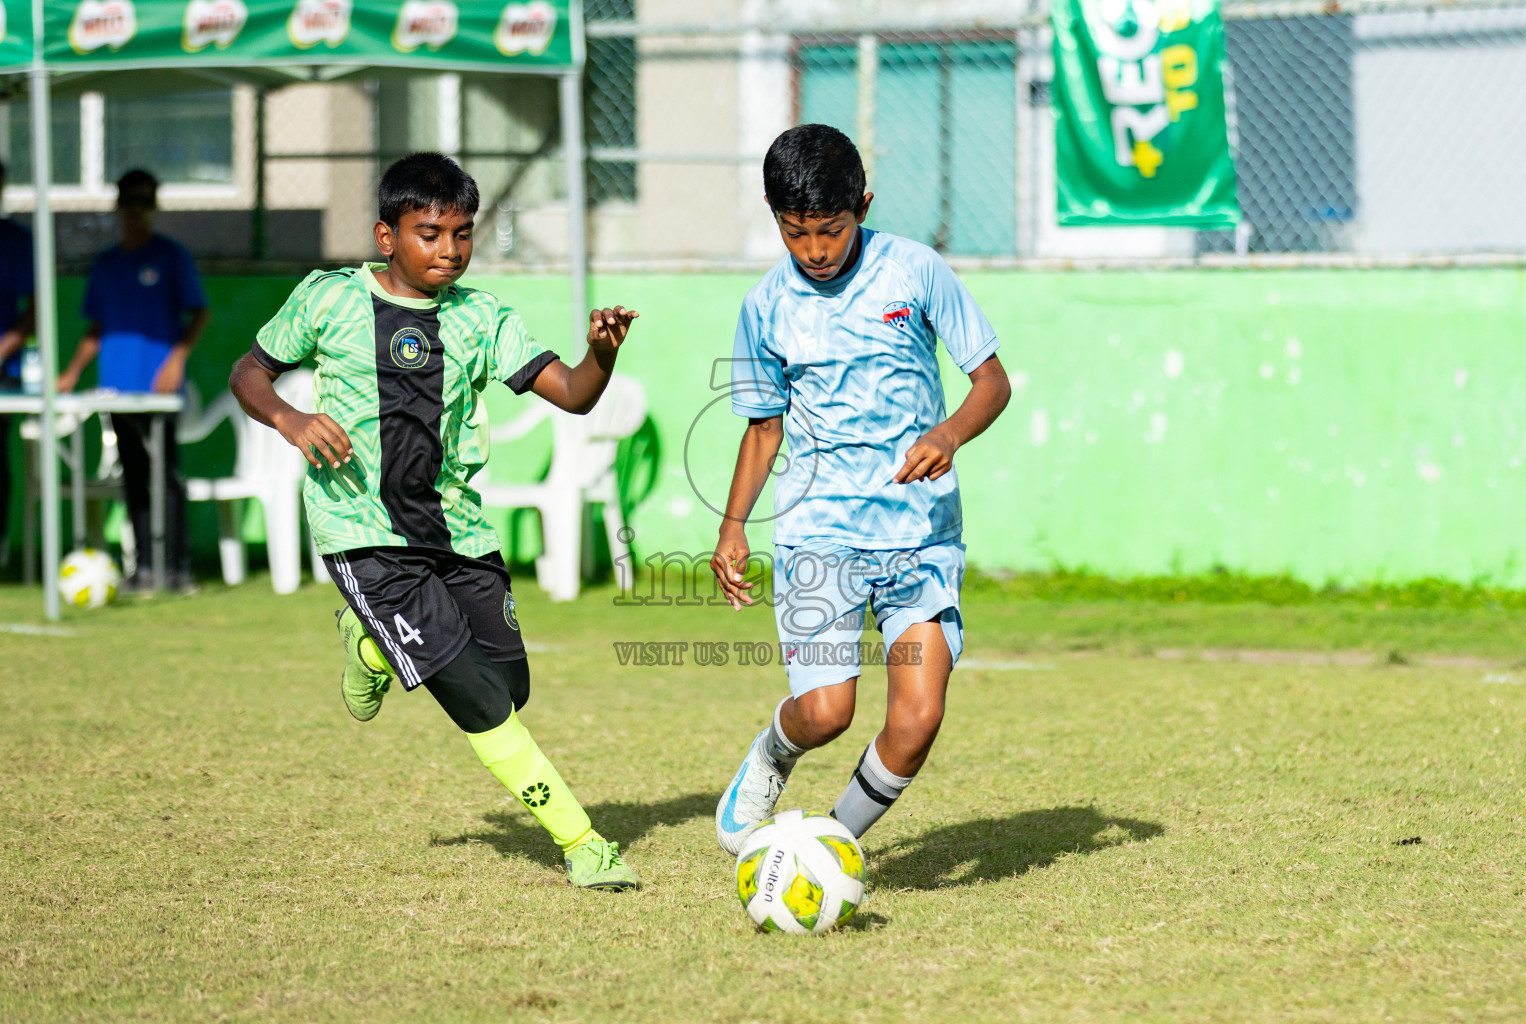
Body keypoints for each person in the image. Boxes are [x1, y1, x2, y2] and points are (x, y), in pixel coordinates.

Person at [228, 152, 643, 892]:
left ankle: (370, 647)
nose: (448, 249)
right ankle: (583, 845)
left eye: (462, 233)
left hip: (457, 530)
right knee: (478, 701)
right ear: (387, 237)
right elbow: (248, 373)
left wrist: (601, 355)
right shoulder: (327, 300)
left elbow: (576, 395)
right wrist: (292, 420)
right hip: (363, 532)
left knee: (508, 687)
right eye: (429, 233)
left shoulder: (482, 318)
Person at [711, 125, 1012, 854]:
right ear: (772, 214)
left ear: (864, 205)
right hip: (821, 534)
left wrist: (948, 434)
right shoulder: (764, 305)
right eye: (796, 233)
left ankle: (829, 847)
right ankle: (773, 756)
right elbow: (763, 429)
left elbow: (991, 384)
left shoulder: (916, 270)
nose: (815, 250)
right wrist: (732, 527)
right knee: (825, 712)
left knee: (916, 722)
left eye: (831, 230)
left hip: (920, 537)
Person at [58, 169, 210, 591]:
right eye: (130, 201)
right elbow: (96, 329)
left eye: (145, 201)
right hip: (118, 390)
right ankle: (144, 567)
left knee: (166, 475)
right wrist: (71, 372)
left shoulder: (170, 256)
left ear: (154, 206)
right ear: (119, 206)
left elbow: (199, 312)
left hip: (160, 391)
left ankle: (178, 569)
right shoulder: (106, 264)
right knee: (136, 477)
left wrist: (176, 360)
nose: (137, 210)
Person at [0, 158, 36, 560]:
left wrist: (4, 348)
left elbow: (36, 306)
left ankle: (1, 546)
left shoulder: (16, 240)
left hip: (4, 372)